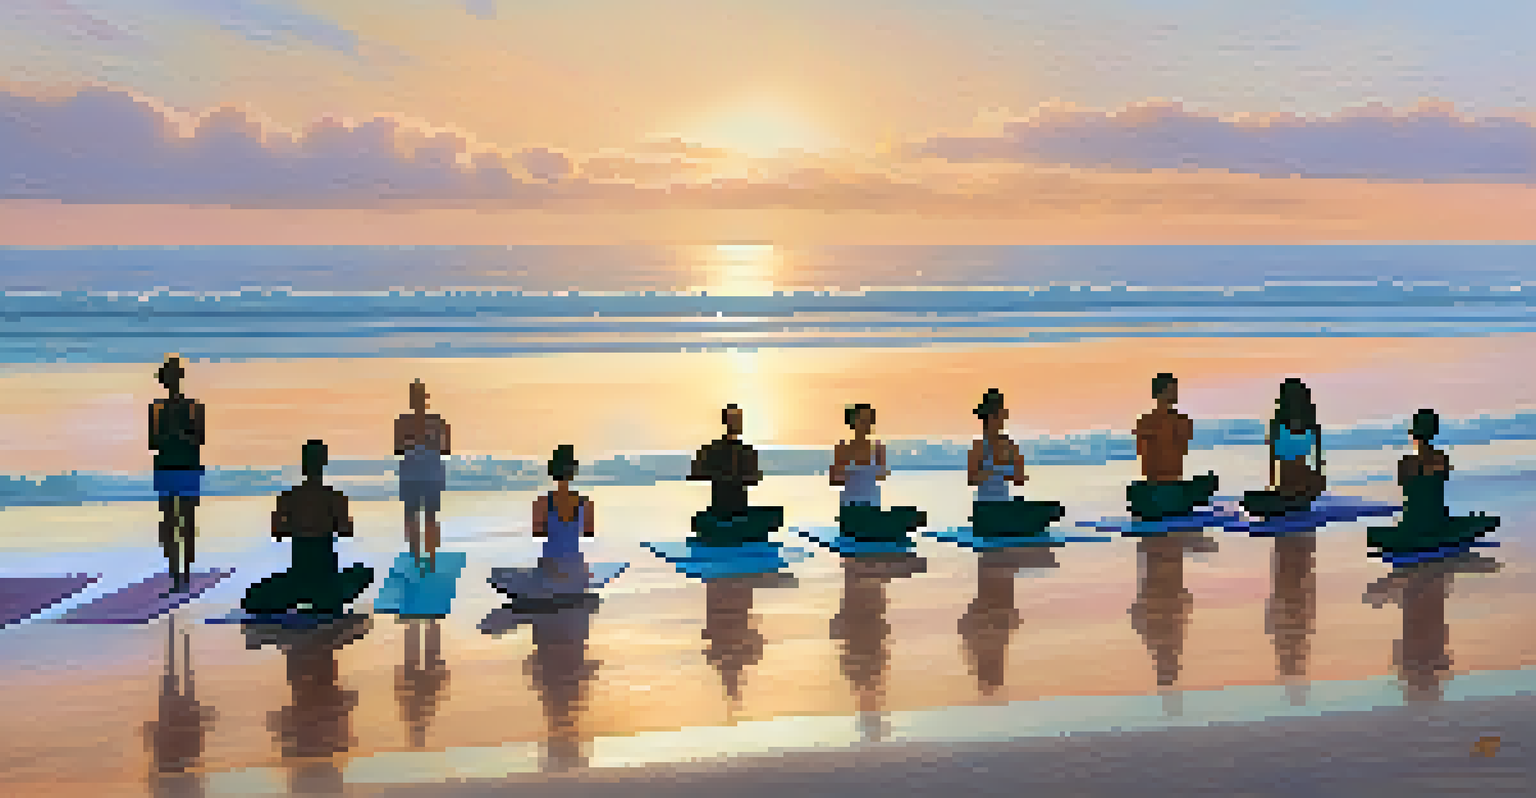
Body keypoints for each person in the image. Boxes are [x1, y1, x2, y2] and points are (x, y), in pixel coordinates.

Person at [242, 440, 374, 617]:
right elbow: (346, 530)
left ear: (304, 465)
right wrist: (323, 525)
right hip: (323, 577)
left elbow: (277, 531)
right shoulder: (334, 497)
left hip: (299, 575)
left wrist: (300, 527)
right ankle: (321, 598)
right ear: (323, 464)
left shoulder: (289, 497)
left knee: (258, 595)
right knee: (363, 573)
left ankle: (304, 596)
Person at [1366, 409, 1499, 558]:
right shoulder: (1440, 459)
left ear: (1413, 434)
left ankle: (1420, 538)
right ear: (1434, 432)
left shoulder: (1405, 463)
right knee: (1474, 522)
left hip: (1415, 523)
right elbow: (1439, 480)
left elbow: (1405, 484)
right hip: (1433, 521)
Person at [965, 389, 1065, 538]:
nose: (1000, 421)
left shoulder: (1009, 445)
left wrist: (1015, 472)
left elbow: (1019, 479)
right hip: (985, 508)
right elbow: (972, 479)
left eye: (1001, 417)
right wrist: (996, 472)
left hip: (1004, 505)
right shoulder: (978, 446)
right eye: (996, 417)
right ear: (987, 418)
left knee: (1051, 509)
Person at [149, 355, 206, 593]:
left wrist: (174, 436)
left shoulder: (191, 407)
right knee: (174, 523)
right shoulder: (160, 408)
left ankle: (182, 574)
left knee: (183, 523)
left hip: (178, 468)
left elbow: (199, 438)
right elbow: (153, 441)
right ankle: (178, 574)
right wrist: (181, 437)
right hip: (175, 468)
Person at [688, 404, 783, 546]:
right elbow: (696, 472)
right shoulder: (712, 449)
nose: (737, 423)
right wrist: (724, 475)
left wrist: (739, 476)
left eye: (738, 419)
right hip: (720, 508)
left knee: (773, 515)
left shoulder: (746, 451)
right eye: (733, 419)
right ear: (726, 421)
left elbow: (754, 477)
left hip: (740, 508)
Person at [1128, 373, 1218, 521]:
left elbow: (1141, 451)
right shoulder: (1179, 421)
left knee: (1206, 482)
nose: (1176, 393)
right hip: (1166, 483)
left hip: (1157, 483)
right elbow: (1182, 449)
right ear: (1163, 393)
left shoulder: (1145, 421)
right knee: (1207, 483)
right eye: (1173, 390)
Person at [831, 403, 926, 543]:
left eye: (869, 420)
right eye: (863, 420)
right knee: (872, 526)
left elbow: (882, 474)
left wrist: (864, 469)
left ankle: (880, 530)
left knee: (915, 516)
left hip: (872, 506)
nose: (868, 424)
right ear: (853, 422)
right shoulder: (843, 448)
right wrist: (853, 470)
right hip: (851, 509)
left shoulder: (877, 448)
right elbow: (834, 479)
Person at [1242, 378, 1326, 518]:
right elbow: (1317, 459)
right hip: (1295, 482)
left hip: (1299, 482)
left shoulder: (1302, 424)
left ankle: (1291, 498)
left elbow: (1273, 458)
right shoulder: (1302, 423)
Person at [395, 380, 451, 570]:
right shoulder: (438, 422)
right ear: (426, 399)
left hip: (413, 473)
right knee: (429, 516)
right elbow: (446, 449)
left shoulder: (403, 422)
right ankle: (430, 558)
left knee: (413, 516)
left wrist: (415, 442)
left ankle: (416, 558)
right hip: (430, 473)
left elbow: (398, 448)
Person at [532, 445, 595, 594]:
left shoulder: (541, 503)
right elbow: (588, 533)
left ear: (552, 472)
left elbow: (538, 533)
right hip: (576, 569)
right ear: (573, 472)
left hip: (550, 569)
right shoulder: (586, 503)